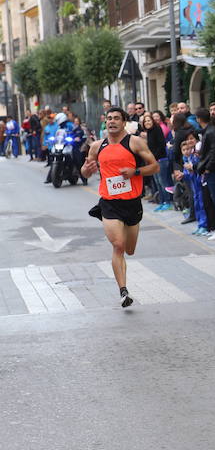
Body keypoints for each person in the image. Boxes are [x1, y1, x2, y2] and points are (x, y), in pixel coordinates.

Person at [81, 107, 159, 308]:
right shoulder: (97, 146)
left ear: (124, 122)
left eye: (116, 118)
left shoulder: (134, 142)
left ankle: (124, 281)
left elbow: (155, 166)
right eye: (109, 118)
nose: (112, 121)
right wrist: (86, 171)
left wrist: (135, 172)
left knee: (130, 250)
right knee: (118, 245)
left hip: (132, 202)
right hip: (109, 203)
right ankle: (123, 291)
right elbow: (86, 171)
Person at [195, 107, 215, 240]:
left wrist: (208, 167)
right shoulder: (209, 131)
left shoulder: (211, 131)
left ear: (198, 119)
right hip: (212, 169)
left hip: (214, 170)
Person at [141, 112, 172, 211]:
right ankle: (162, 201)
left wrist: (153, 158)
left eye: (149, 120)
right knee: (158, 182)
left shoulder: (157, 129)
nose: (147, 122)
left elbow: (161, 145)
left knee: (163, 182)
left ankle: (168, 202)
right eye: (145, 121)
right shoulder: (149, 131)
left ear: (153, 121)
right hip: (154, 161)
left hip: (160, 160)